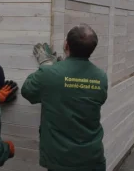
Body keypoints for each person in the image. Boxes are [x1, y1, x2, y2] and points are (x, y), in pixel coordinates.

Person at [21, 24, 108, 171]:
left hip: (61, 160)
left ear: (66, 45)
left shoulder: (48, 74)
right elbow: (83, 94)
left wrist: (47, 64)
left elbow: (28, 91)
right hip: (92, 157)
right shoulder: (101, 77)